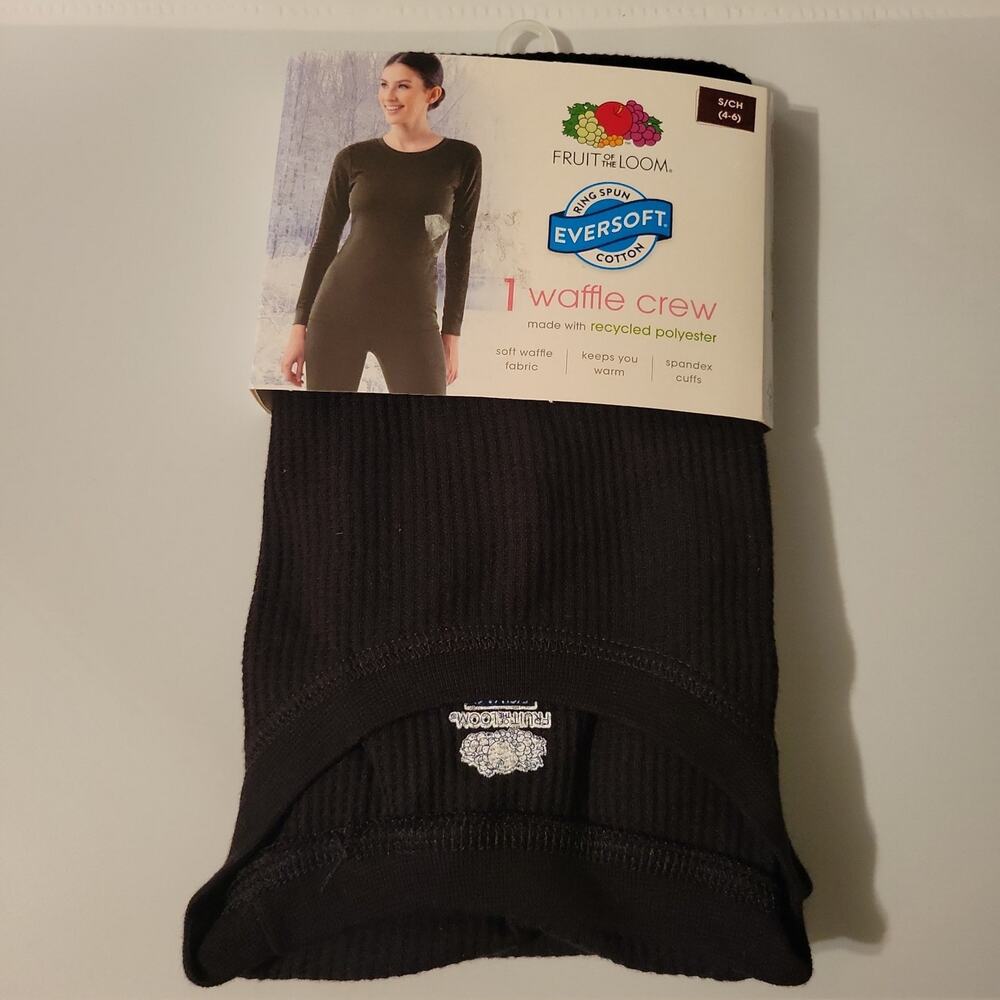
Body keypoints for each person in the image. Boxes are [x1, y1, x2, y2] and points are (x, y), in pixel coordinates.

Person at [282, 51, 483, 394]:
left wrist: (452, 333)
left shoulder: (461, 158)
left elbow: (459, 251)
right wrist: (298, 327)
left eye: (402, 86)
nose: (388, 96)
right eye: (383, 84)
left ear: (432, 94)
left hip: (412, 317)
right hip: (338, 312)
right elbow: (325, 244)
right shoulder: (353, 158)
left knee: (426, 424)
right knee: (328, 423)